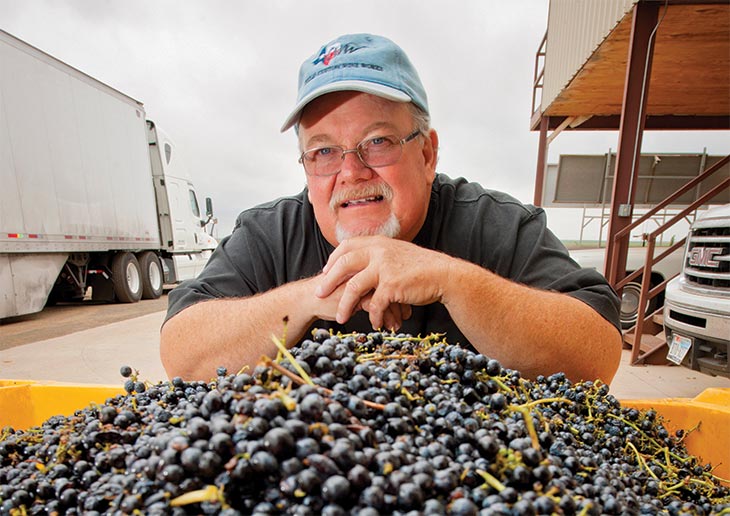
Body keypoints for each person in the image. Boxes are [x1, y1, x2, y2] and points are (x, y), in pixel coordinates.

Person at [160, 33, 622, 384]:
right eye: (323, 151)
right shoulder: (269, 233)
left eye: (377, 142)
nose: (351, 171)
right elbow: (182, 351)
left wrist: (450, 280)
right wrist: (312, 295)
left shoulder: (492, 222)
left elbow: (598, 353)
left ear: (427, 154)